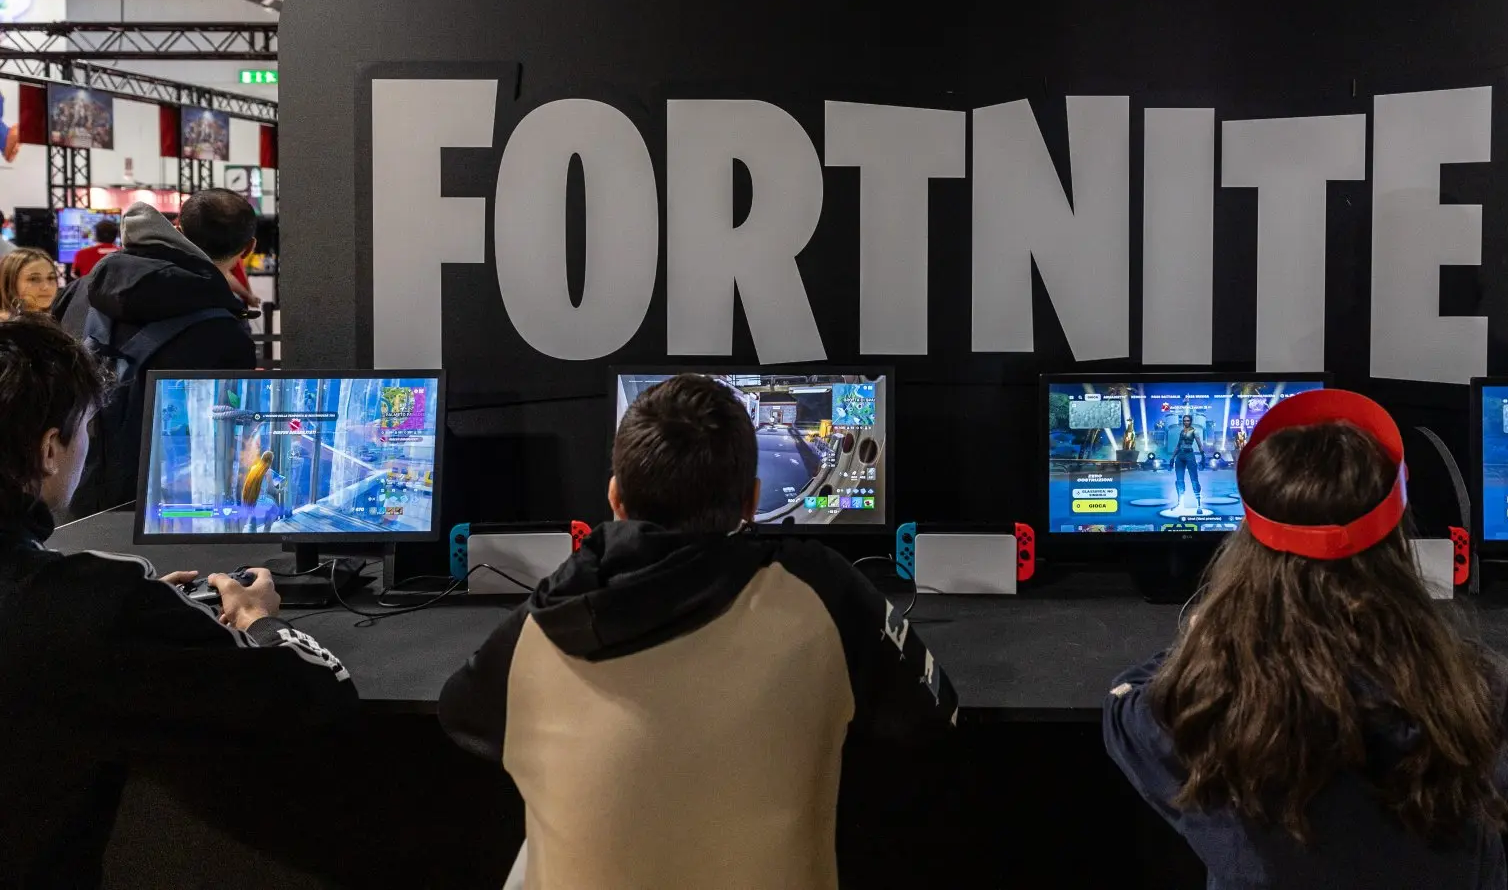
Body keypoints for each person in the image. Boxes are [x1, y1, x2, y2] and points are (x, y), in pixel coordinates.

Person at [440, 373, 957, 890]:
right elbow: (935, 715)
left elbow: (461, 715)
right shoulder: (822, 591)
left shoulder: (539, 627)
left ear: (615, 498)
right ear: (752, 501)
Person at [1103, 390, 1508, 889]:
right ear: (1396, 536)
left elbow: (1124, 704)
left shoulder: (1193, 713)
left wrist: (1207, 640)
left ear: (1249, 547)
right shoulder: (1487, 696)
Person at [0, 318, 355, 888]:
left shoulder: (88, 606)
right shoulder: (90, 605)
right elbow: (313, 696)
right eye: (87, 430)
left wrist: (135, 614)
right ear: (49, 449)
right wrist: (256, 621)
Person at [53, 193, 257, 513]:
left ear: (177, 228)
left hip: (64, 491)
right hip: (164, 511)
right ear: (249, 249)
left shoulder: (80, 290)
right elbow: (224, 443)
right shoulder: (226, 332)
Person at [0, 247, 57, 319]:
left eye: (51, 278)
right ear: (10, 283)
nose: (46, 286)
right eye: (34, 279)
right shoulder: (5, 327)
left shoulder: (52, 321)